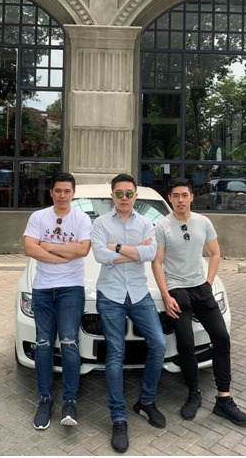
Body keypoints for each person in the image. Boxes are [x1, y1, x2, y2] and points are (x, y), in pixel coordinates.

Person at [152, 177, 246, 426]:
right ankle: (194, 394)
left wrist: (209, 281)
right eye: (176, 196)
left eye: (184, 195)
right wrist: (166, 295)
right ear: (170, 198)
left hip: (201, 287)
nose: (180, 200)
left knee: (222, 337)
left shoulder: (203, 222)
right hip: (177, 289)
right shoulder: (162, 226)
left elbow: (215, 253)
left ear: (192, 197)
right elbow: (157, 262)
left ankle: (224, 399)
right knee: (186, 342)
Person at [91, 173, 167, 453]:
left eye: (129, 193)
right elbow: (100, 255)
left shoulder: (146, 223)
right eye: (119, 193)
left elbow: (151, 254)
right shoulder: (100, 223)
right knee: (115, 353)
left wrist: (118, 248)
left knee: (158, 343)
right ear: (112, 195)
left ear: (135, 195)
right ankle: (118, 418)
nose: (124, 198)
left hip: (139, 294)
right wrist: (135, 252)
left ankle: (145, 402)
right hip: (110, 295)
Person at [23, 172, 92, 430]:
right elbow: (30, 248)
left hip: (71, 289)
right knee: (42, 343)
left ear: (73, 193)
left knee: (69, 342)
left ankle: (70, 402)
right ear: (51, 192)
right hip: (42, 288)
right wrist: (63, 256)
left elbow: (83, 249)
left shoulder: (82, 218)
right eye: (58, 191)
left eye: (67, 191)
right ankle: (45, 400)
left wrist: (48, 247)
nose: (62, 195)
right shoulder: (38, 217)